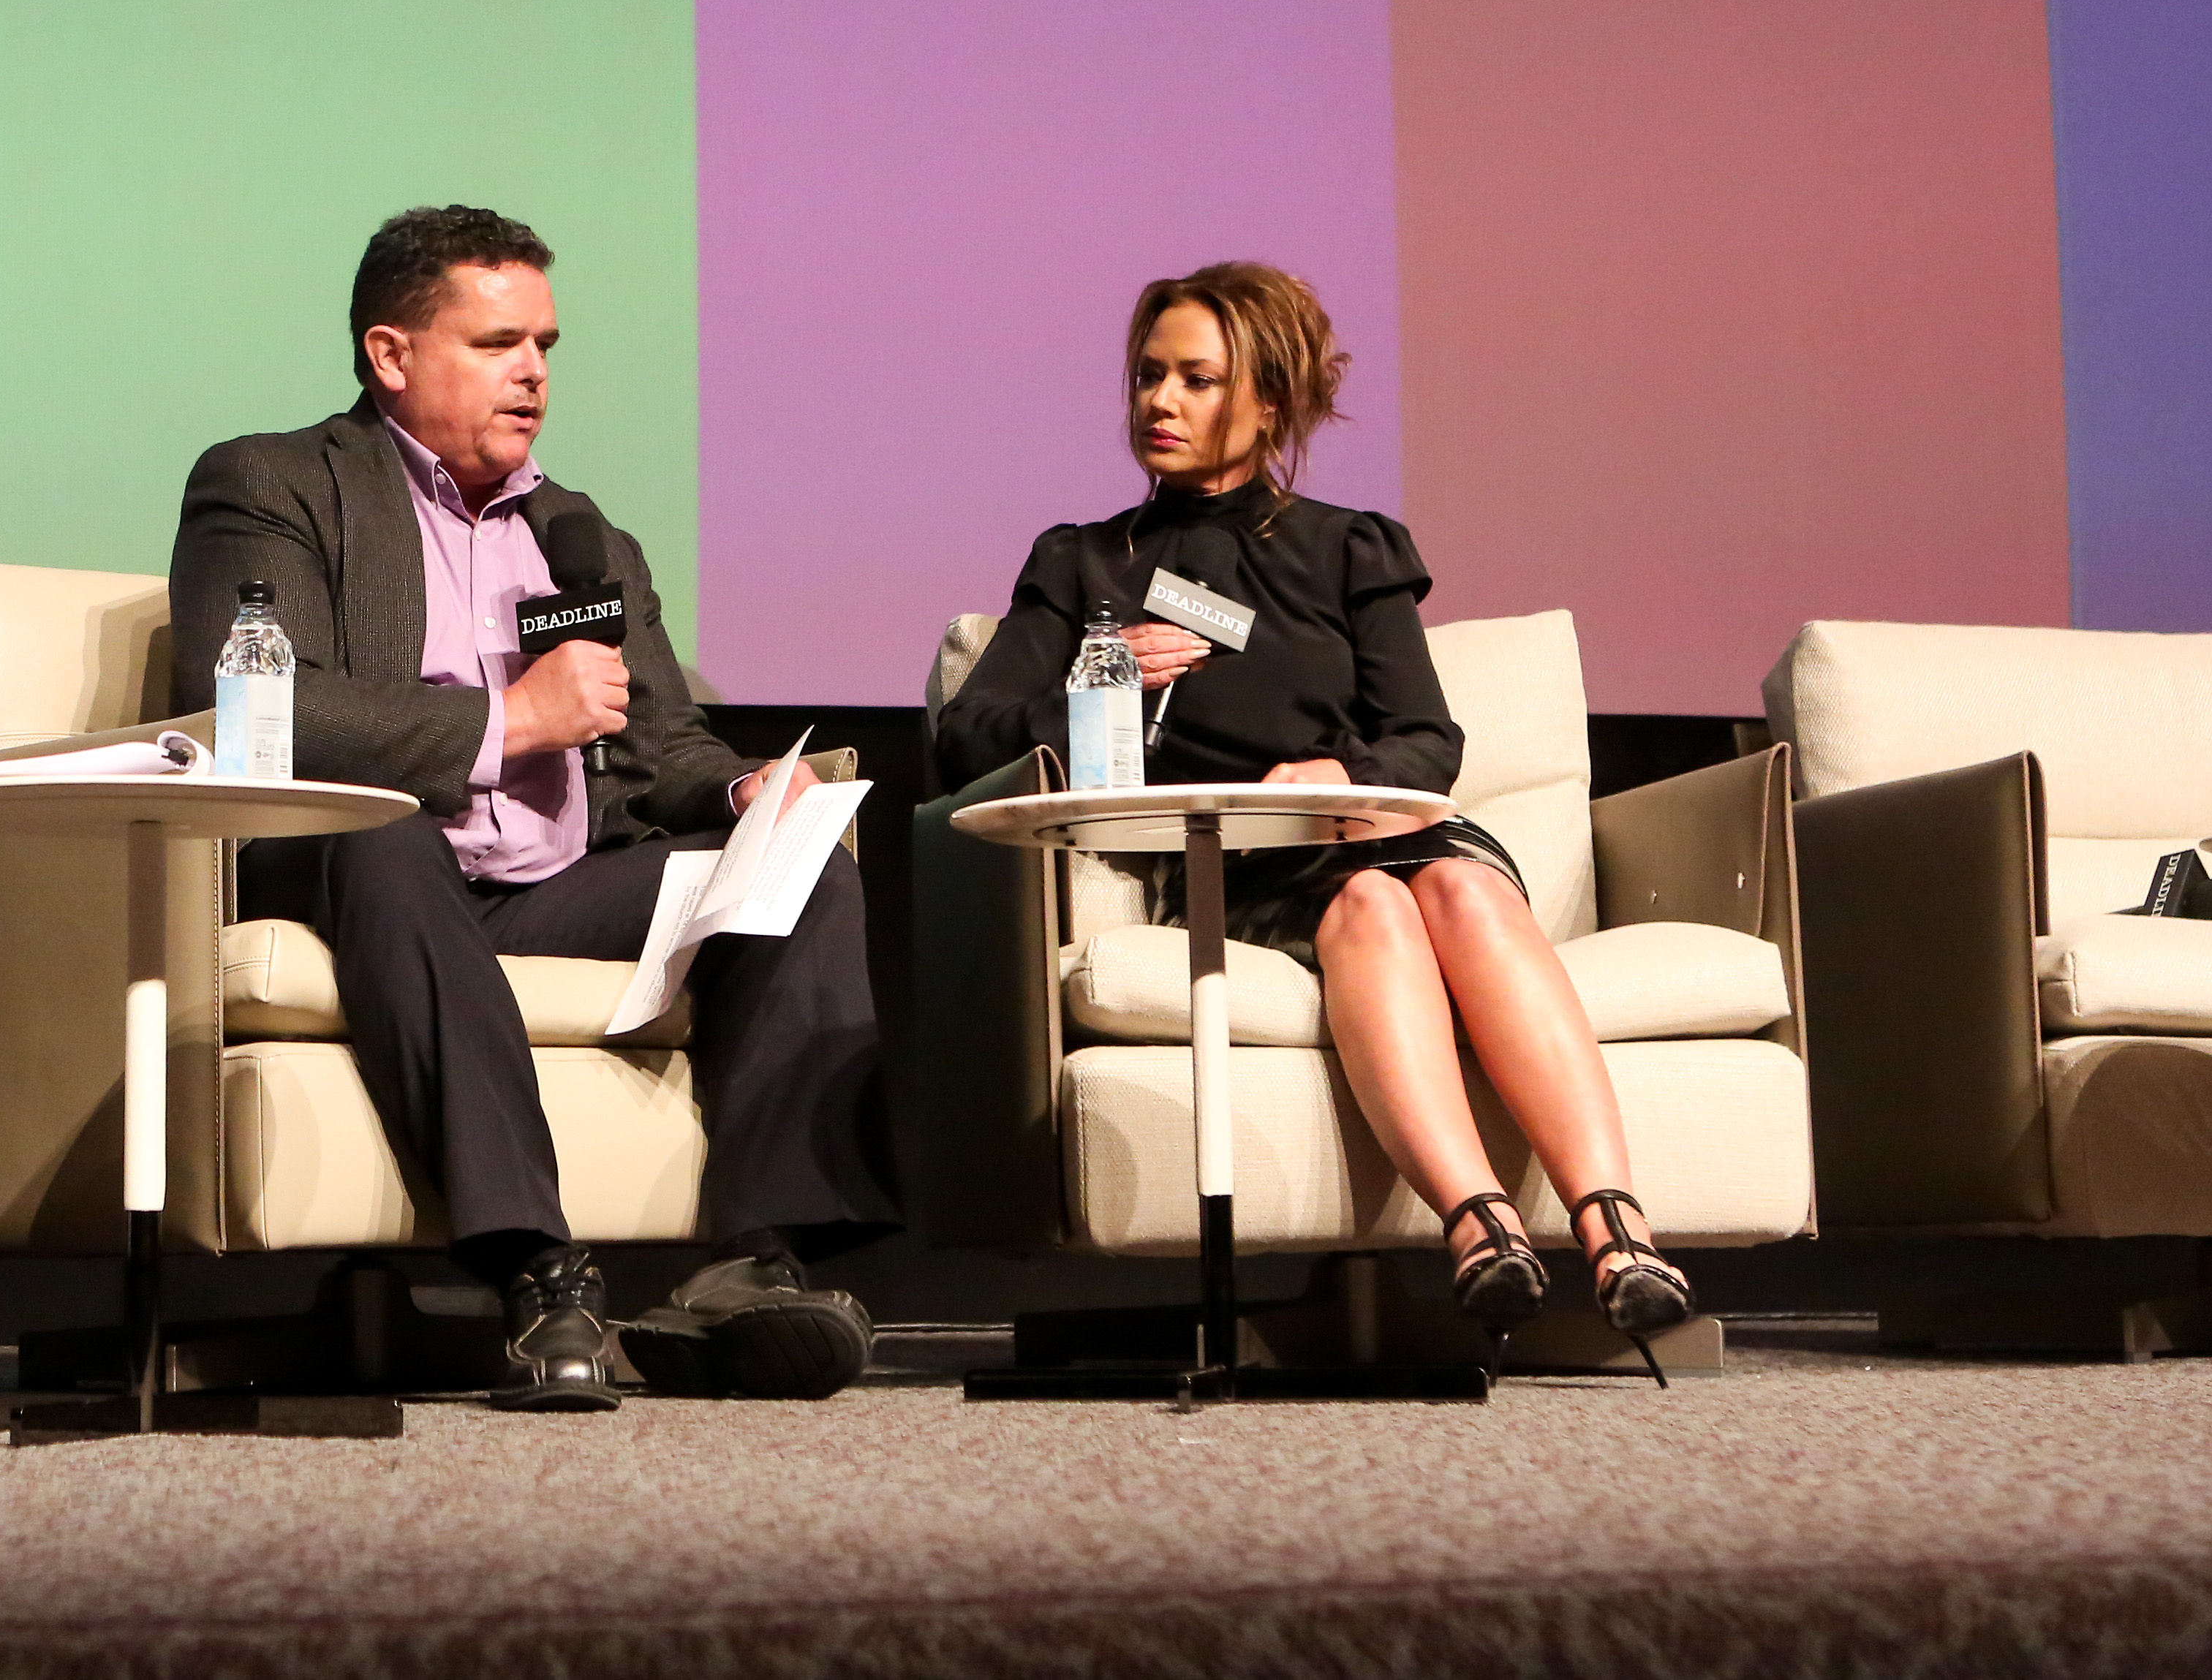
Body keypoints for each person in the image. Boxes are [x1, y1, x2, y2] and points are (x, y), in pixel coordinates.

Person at [169, 205, 890, 1410]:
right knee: (384, 829)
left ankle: (755, 1267)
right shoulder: (276, 479)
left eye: (544, 344)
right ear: (390, 354)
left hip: (546, 891)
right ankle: (536, 1274)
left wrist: (736, 787)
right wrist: (508, 722)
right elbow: (252, 696)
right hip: (364, 869)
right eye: (498, 342)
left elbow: (656, 736)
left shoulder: (579, 530)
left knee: (802, 859)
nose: (534, 373)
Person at [935, 262, 1695, 1370]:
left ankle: (1616, 1231)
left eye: (1197, 379)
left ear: (1271, 403)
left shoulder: (1350, 546)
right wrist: (1096, 686)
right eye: (1149, 374)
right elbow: (966, 736)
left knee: (1461, 888)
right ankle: (1478, 1222)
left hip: (1375, 825)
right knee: (1374, 914)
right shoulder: (1086, 560)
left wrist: (1341, 777)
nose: (1159, 401)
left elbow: (1427, 737)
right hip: (1244, 862)